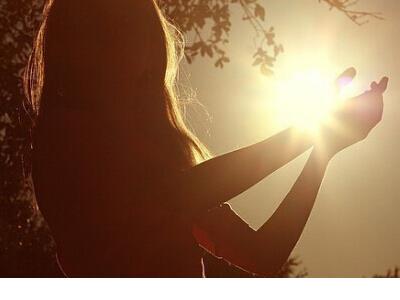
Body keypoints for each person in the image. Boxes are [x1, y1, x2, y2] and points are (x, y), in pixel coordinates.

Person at [25, 0, 388, 277]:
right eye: (117, 30)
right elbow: (177, 194)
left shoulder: (158, 159)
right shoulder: (67, 141)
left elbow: (263, 254)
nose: (136, 50)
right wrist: (312, 130)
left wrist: (325, 149)